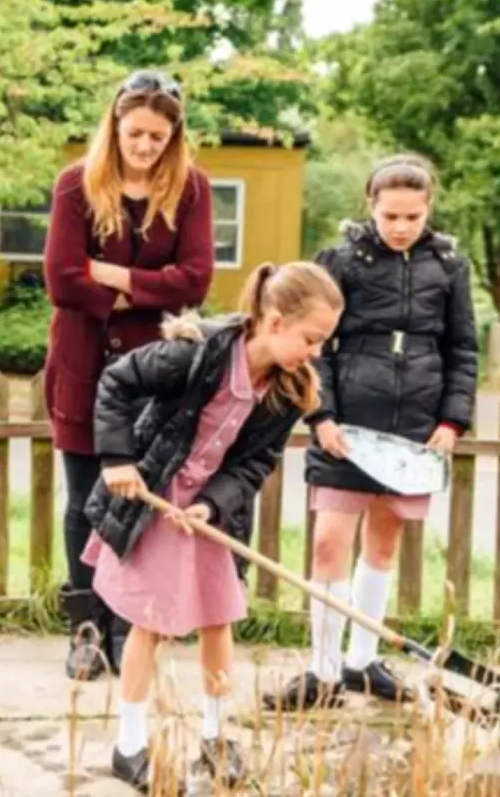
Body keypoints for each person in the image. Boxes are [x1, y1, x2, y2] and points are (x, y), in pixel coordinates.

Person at [80, 261, 343, 791]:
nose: (316, 352)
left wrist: (214, 505)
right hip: (154, 500)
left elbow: (254, 463)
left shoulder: (291, 389)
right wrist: (116, 459)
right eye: (311, 339)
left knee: (218, 619)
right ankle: (129, 744)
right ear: (272, 322)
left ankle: (217, 735)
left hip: (203, 513)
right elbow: (116, 382)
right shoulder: (195, 351)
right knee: (150, 623)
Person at [263, 154, 478, 713]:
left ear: (428, 208)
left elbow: (462, 349)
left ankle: (362, 661)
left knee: (382, 544)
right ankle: (323, 669)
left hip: (414, 430)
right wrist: (322, 416)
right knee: (330, 543)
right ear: (370, 207)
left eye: (413, 215)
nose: (402, 226)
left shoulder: (451, 265)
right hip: (347, 426)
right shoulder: (340, 260)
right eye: (390, 216)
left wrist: (452, 422)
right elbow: (317, 348)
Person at [43, 68, 215, 681]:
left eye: (157, 137)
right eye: (135, 133)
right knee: (82, 499)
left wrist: (111, 276)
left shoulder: (190, 190)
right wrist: (150, 290)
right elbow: (61, 279)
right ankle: (86, 627)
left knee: (139, 497)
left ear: (174, 136)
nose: (144, 147)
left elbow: (195, 281)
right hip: (82, 363)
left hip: (153, 372)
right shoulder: (75, 187)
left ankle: (124, 627)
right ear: (114, 125)